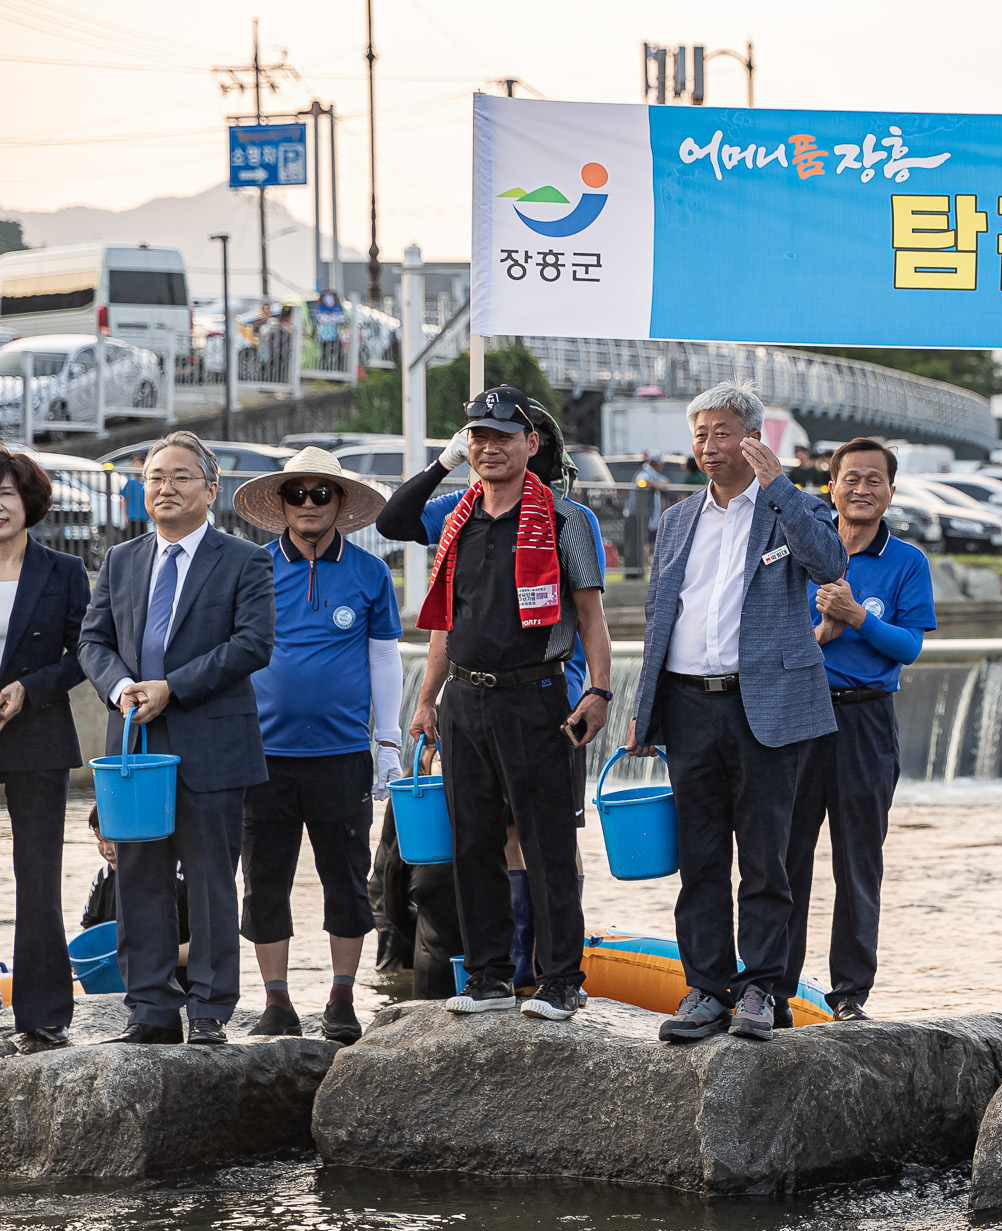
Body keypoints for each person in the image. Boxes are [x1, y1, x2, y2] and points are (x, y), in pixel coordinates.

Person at [627, 383, 845, 1043]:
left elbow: (829, 563)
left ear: (751, 437)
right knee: (699, 855)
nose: (709, 447)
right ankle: (705, 987)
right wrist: (644, 709)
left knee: (766, 855)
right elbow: (659, 615)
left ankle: (761, 988)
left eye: (723, 433)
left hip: (767, 705)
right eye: (700, 435)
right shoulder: (678, 519)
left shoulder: (793, 507)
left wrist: (777, 487)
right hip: (690, 702)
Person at [404, 387, 613, 1022]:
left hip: (537, 695)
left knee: (548, 845)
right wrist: (426, 703)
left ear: (532, 444)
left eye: (503, 436)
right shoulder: (455, 518)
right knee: (473, 844)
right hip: (466, 697)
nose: (489, 447)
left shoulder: (565, 517)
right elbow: (443, 619)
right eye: (478, 437)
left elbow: (591, 615)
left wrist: (598, 690)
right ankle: (489, 978)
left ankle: (559, 981)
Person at [78, 432, 275, 1045]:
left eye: (181, 476)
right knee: (139, 875)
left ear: (210, 490)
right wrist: (121, 689)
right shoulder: (121, 559)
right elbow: (93, 641)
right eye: (155, 476)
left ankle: (212, 1012)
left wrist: (172, 687)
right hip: (134, 747)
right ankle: (150, 1010)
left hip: (212, 745)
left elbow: (252, 644)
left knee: (214, 882)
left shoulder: (246, 560)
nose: (165, 487)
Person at [232, 447, 404, 1043]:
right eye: (297, 494)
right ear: (280, 503)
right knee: (264, 879)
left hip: (342, 755)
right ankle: (276, 1001)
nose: (308, 504)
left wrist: (388, 742)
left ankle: (341, 998)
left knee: (347, 880)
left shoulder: (369, 573)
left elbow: (383, 658)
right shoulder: (249, 568)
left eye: (320, 493)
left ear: (340, 502)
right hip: (261, 756)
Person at [781, 437, 935, 1023]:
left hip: (866, 718)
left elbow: (910, 646)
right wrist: (816, 633)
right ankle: (774, 987)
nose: (862, 489)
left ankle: (849, 994)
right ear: (832, 487)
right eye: (852, 478)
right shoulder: (798, 551)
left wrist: (857, 618)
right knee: (784, 856)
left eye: (875, 480)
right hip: (796, 716)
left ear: (891, 492)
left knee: (858, 860)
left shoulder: (907, 561)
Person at [0, 449, 94, 1052]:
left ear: (26, 501)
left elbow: (85, 651)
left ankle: (42, 1013)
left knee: (38, 877)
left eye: (4, 494)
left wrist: (28, 689)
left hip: (37, 734)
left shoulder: (63, 571)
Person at [624, 452, 669, 578]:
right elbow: (641, 482)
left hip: (643, 515)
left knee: (639, 544)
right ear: (657, 464)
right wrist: (655, 485)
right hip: (636, 514)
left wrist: (658, 484)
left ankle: (637, 573)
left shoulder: (653, 474)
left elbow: (665, 481)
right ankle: (632, 575)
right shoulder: (644, 472)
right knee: (634, 545)